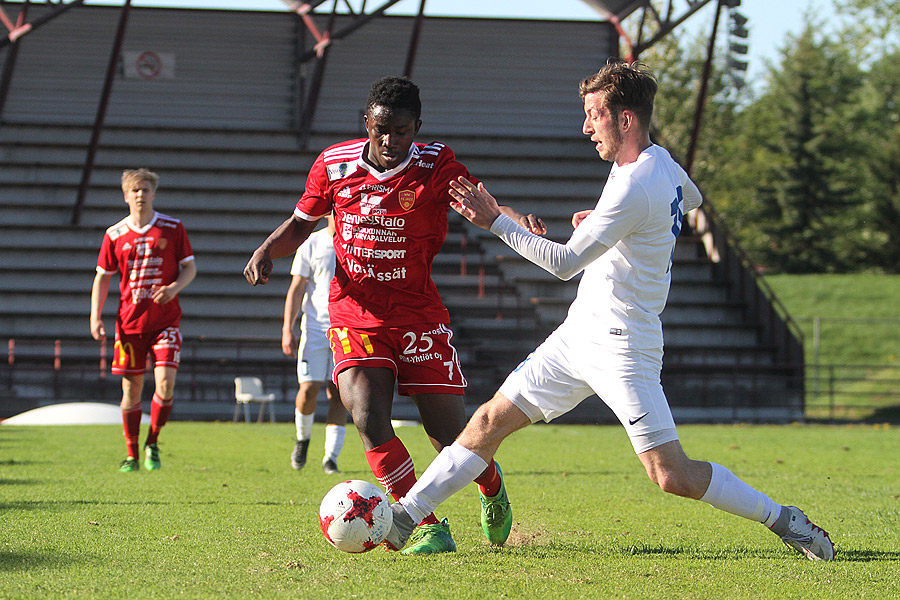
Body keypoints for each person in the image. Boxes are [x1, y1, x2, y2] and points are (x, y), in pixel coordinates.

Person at [383, 60, 835, 562]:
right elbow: (692, 198)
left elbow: (562, 263)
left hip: (624, 345)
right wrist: (610, 223)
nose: (585, 127)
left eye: (594, 114)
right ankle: (405, 516)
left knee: (672, 475)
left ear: (626, 119)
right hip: (579, 335)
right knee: (488, 420)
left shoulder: (633, 186)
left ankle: (784, 519)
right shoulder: (660, 164)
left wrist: (495, 221)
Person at [244, 76, 545, 555]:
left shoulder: (436, 164)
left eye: (401, 131)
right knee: (366, 414)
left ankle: (490, 485)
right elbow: (301, 223)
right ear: (367, 122)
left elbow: (482, 205)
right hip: (354, 315)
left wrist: (515, 219)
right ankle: (424, 524)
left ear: (417, 128)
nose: (389, 141)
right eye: (380, 129)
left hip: (419, 316)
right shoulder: (333, 164)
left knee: (450, 436)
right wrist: (266, 250)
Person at [90, 168, 196, 473]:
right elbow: (102, 278)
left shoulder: (172, 228)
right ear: (126, 195)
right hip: (129, 324)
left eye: (145, 190)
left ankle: (153, 443)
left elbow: (190, 268)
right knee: (131, 390)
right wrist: (95, 316)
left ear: (153, 193)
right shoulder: (114, 234)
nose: (140, 195)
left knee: (165, 383)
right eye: (134, 190)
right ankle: (132, 454)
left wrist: (174, 287)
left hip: (166, 322)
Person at [283, 215, 347, 474]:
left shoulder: (356, 241)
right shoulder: (311, 243)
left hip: (347, 329)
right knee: (308, 389)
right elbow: (296, 288)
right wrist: (287, 328)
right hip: (315, 328)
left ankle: (330, 457)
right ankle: (302, 439)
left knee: (340, 394)